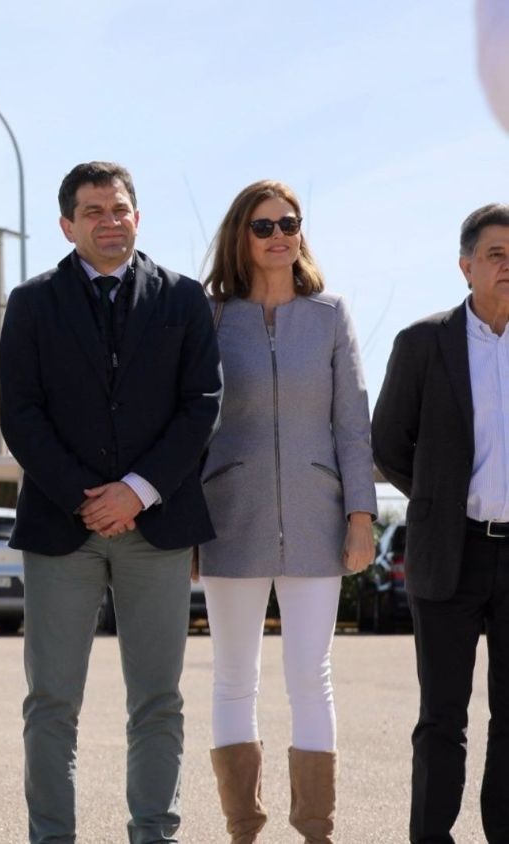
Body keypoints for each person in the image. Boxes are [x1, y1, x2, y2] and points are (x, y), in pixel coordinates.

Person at [0, 161, 222, 843]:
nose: (109, 221)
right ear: (67, 225)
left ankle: (155, 833)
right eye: (93, 211)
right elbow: (21, 413)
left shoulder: (184, 299)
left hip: (158, 527)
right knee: (52, 702)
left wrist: (138, 491)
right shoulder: (33, 303)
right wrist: (84, 496)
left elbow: (202, 405)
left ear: (137, 216)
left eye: (120, 208)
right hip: (61, 527)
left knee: (158, 701)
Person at [197, 180, 376, 844]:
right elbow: (191, 423)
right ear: (241, 236)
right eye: (264, 226)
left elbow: (352, 423)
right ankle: (243, 829)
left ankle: (316, 831)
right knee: (232, 679)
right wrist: (185, 525)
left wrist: (361, 514)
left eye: (289, 223)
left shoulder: (330, 316)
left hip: (316, 517)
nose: (279, 236)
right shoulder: (208, 316)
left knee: (311, 676)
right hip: (228, 517)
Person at [373, 202, 509, 844]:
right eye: (495, 254)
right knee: (441, 719)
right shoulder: (423, 343)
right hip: (449, 553)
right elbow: (389, 444)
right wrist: (435, 499)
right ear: (466, 266)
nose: (507, 266)